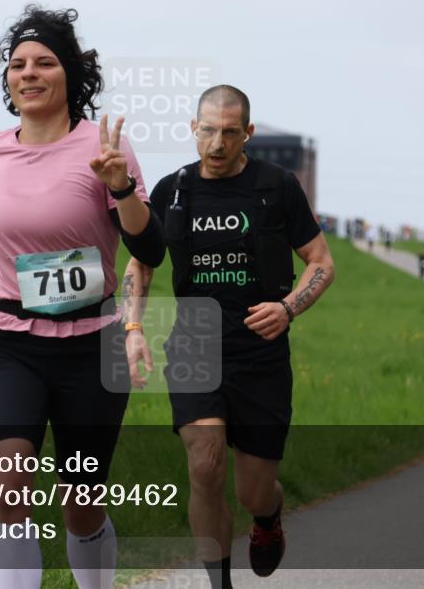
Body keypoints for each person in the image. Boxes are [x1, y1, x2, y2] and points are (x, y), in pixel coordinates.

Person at [0, 5, 165, 589]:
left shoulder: (104, 148)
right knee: (9, 485)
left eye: (44, 62)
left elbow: (150, 247)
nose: (28, 73)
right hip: (10, 345)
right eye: (17, 64)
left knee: (81, 502)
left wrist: (121, 187)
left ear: (70, 75)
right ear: (8, 80)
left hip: (93, 348)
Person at [121, 85, 335, 588]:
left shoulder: (277, 186)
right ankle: (219, 583)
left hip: (259, 351)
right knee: (205, 464)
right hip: (194, 342)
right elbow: (142, 262)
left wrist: (288, 308)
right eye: (209, 130)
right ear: (193, 128)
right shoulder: (172, 190)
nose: (218, 143)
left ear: (248, 134)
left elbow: (321, 263)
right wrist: (132, 328)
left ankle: (268, 516)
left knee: (253, 492)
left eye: (230, 132)